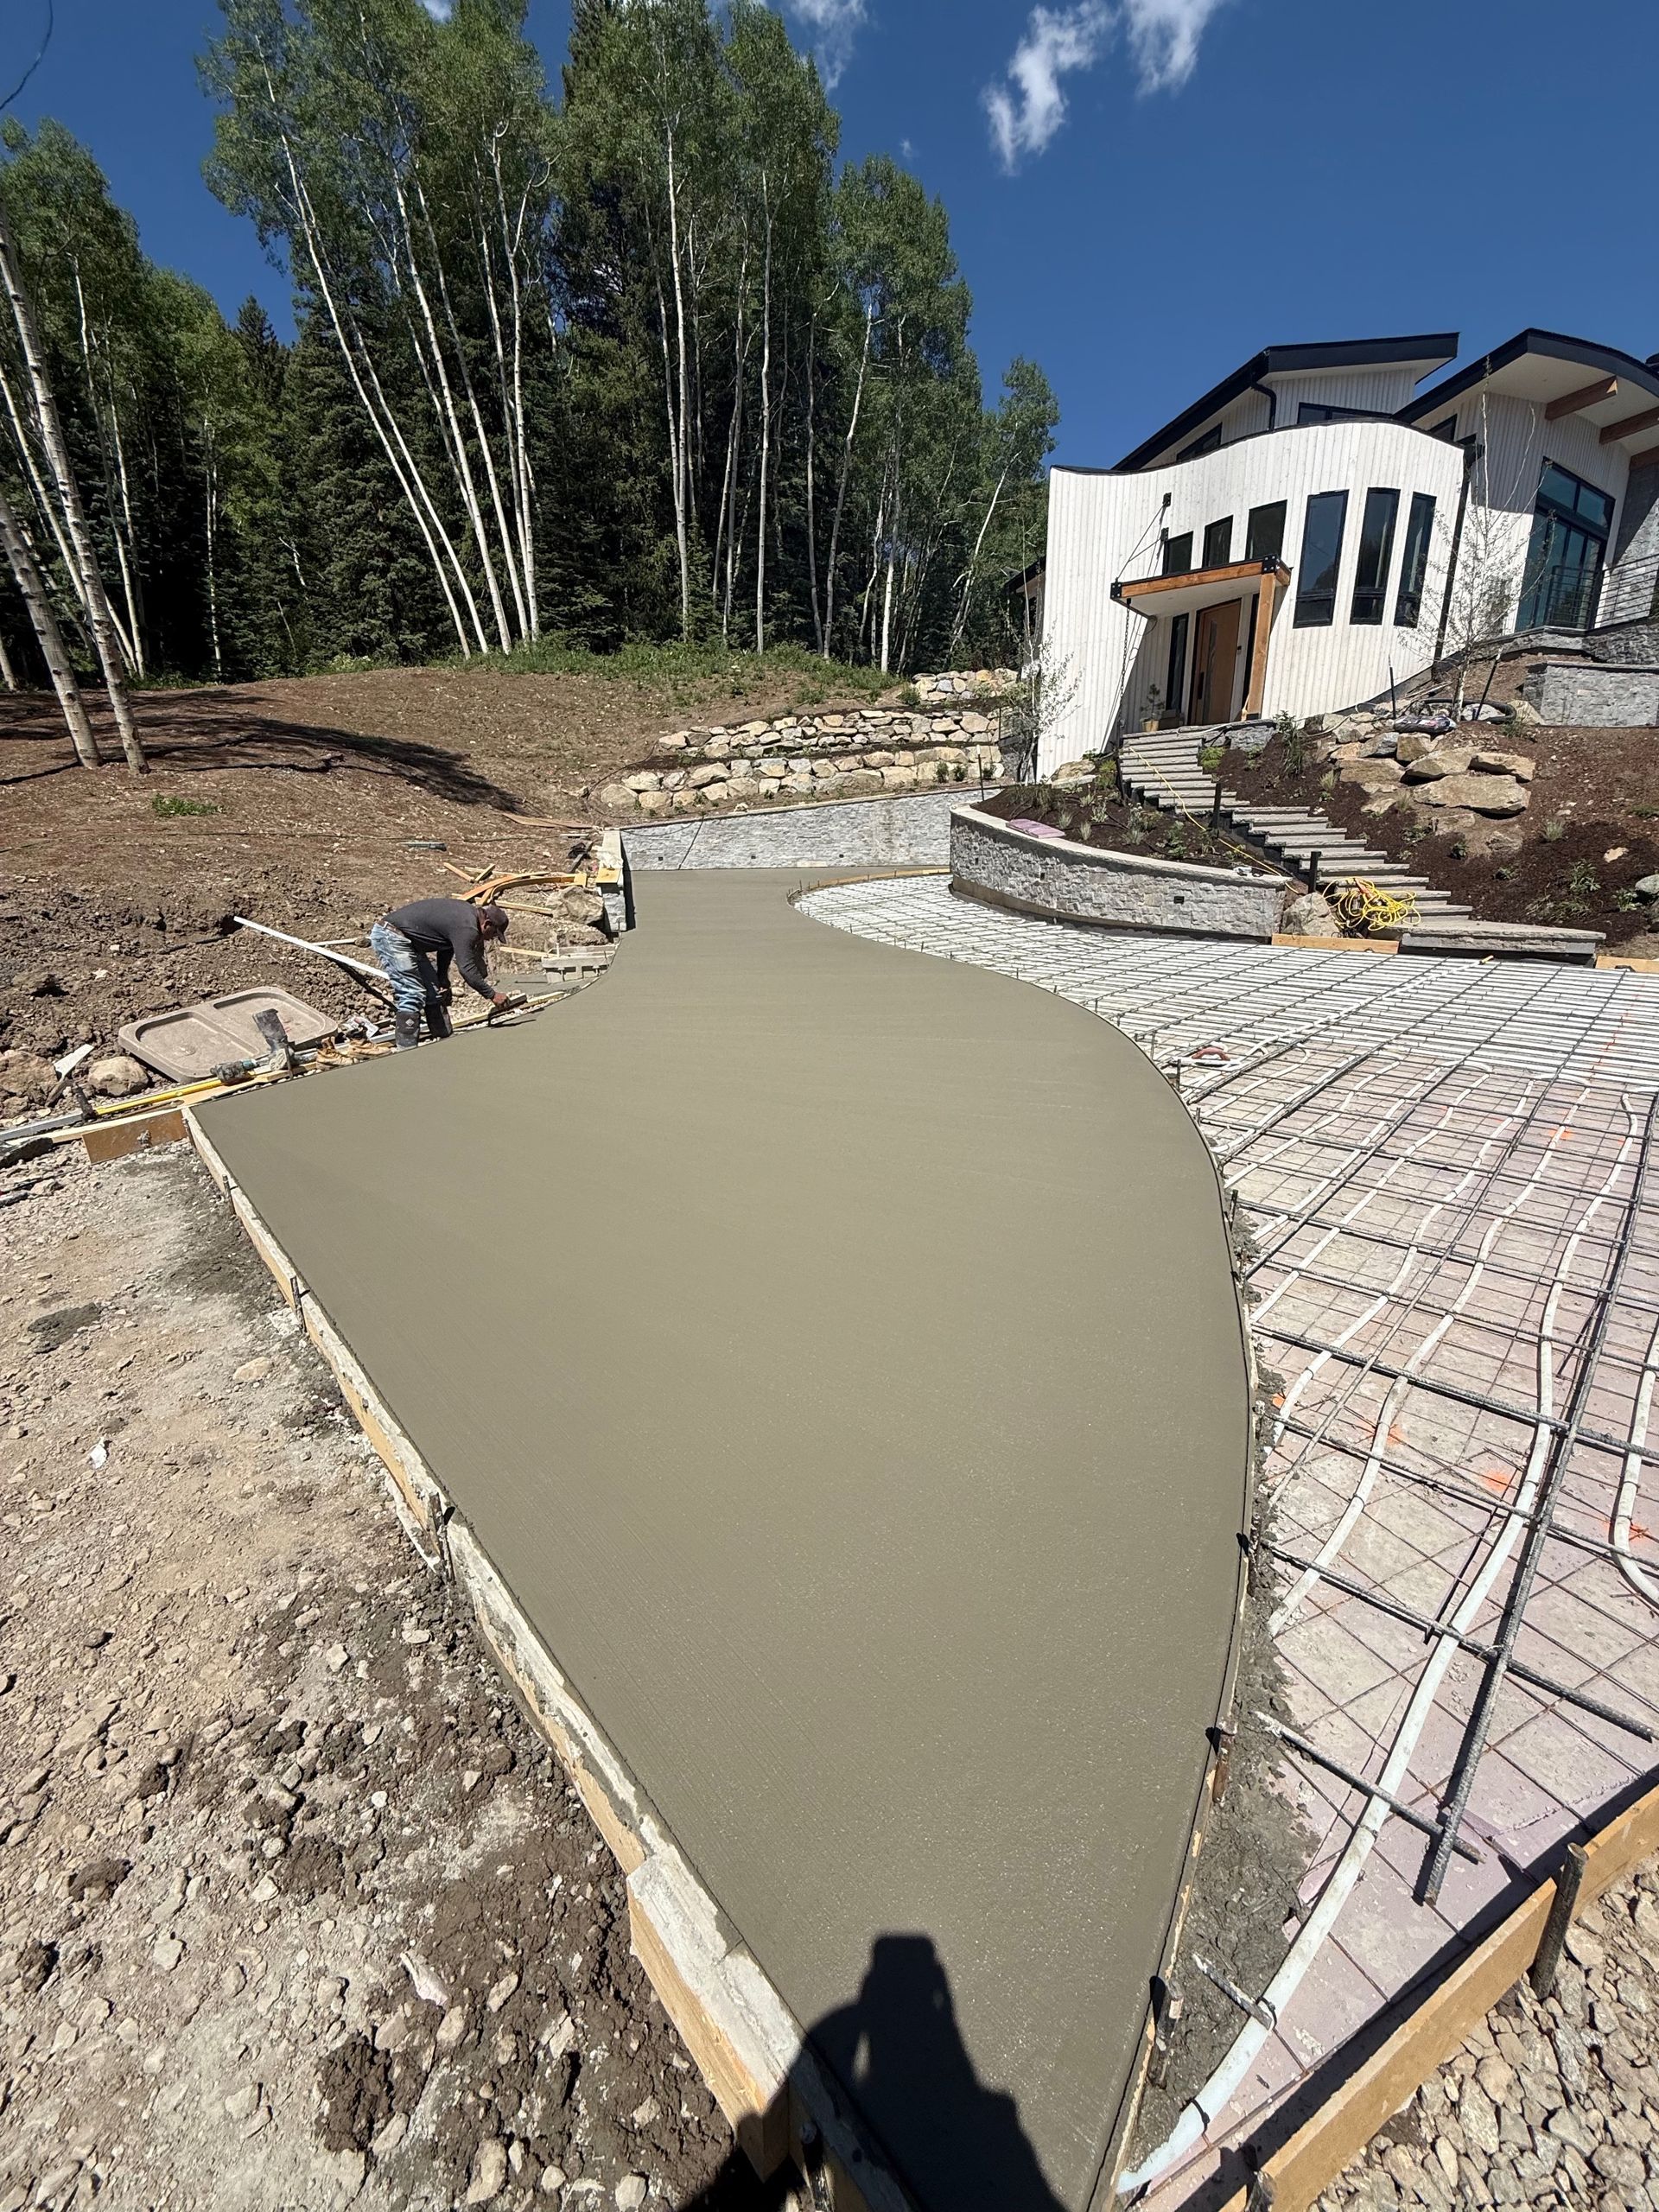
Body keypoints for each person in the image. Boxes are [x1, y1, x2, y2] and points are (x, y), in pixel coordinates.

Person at [368, 897, 518, 1050]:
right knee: (412, 993)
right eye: (494, 934)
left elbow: (445, 947)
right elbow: (467, 968)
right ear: (487, 924)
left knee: (434, 992)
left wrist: (442, 978)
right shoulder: (468, 928)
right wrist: (492, 995)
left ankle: (444, 1041)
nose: (490, 939)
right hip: (391, 935)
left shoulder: (465, 916)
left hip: (410, 941)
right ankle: (406, 1051)